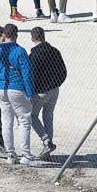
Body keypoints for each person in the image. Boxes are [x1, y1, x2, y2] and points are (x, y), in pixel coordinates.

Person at [0, 23, 37, 166]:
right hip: (17, 88)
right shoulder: (20, 51)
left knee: (6, 121)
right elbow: (27, 73)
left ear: (3, 35)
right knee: (24, 120)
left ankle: (10, 154)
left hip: (2, 89)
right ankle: (26, 154)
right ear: (16, 35)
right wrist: (30, 92)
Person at [28, 27, 65, 159]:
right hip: (54, 89)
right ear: (44, 36)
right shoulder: (55, 51)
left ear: (32, 38)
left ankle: (46, 141)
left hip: (41, 92)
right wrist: (56, 84)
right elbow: (63, 72)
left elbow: (31, 75)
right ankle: (47, 151)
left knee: (31, 115)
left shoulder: (33, 55)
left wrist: (32, 91)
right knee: (48, 116)